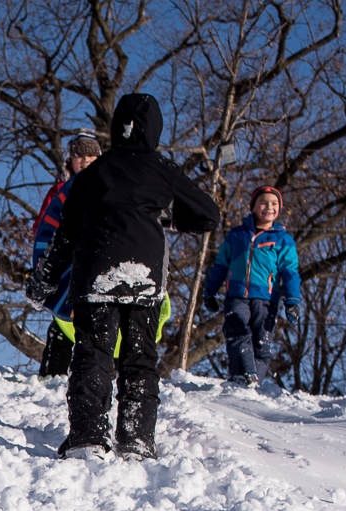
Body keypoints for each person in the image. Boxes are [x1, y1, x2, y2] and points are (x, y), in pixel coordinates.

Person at [27, 92, 219, 461]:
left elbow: (65, 235)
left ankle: (87, 437)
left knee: (93, 354)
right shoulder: (163, 170)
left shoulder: (92, 175)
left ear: (117, 128)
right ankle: (136, 439)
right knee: (139, 359)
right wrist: (165, 215)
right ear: (154, 130)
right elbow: (208, 215)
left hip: (96, 275)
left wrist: (44, 281)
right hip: (144, 277)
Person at [200, 185, 302, 387]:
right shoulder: (237, 235)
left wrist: (292, 300)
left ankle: (252, 383)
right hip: (237, 295)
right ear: (253, 207)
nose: (269, 207)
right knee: (236, 329)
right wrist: (209, 292)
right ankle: (244, 375)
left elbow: (290, 271)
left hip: (266, 299)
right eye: (263, 202)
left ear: (279, 209)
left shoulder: (282, 239)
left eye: (274, 204)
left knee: (261, 342)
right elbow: (220, 264)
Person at [30, 133, 105, 378]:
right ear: (70, 162)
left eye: (91, 156)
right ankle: (53, 376)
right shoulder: (60, 191)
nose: (85, 161)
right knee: (63, 324)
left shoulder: (108, 188)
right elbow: (43, 226)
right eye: (79, 156)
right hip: (67, 263)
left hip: (99, 262)